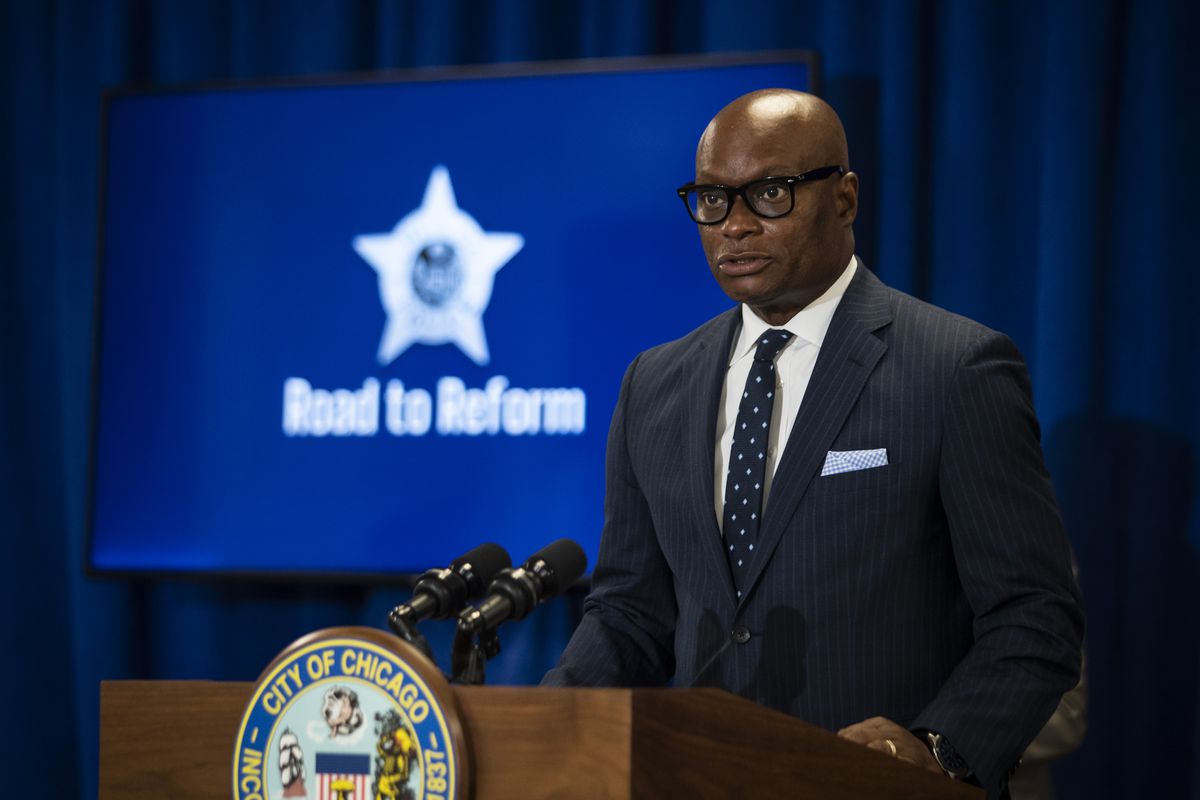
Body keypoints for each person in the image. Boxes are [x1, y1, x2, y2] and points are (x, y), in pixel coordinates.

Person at [541, 89, 1084, 799]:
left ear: (846, 198)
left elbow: (1033, 615)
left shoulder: (955, 368)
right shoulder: (654, 382)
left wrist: (935, 750)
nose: (733, 225)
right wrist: (541, 724)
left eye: (768, 193)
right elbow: (630, 614)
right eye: (711, 198)